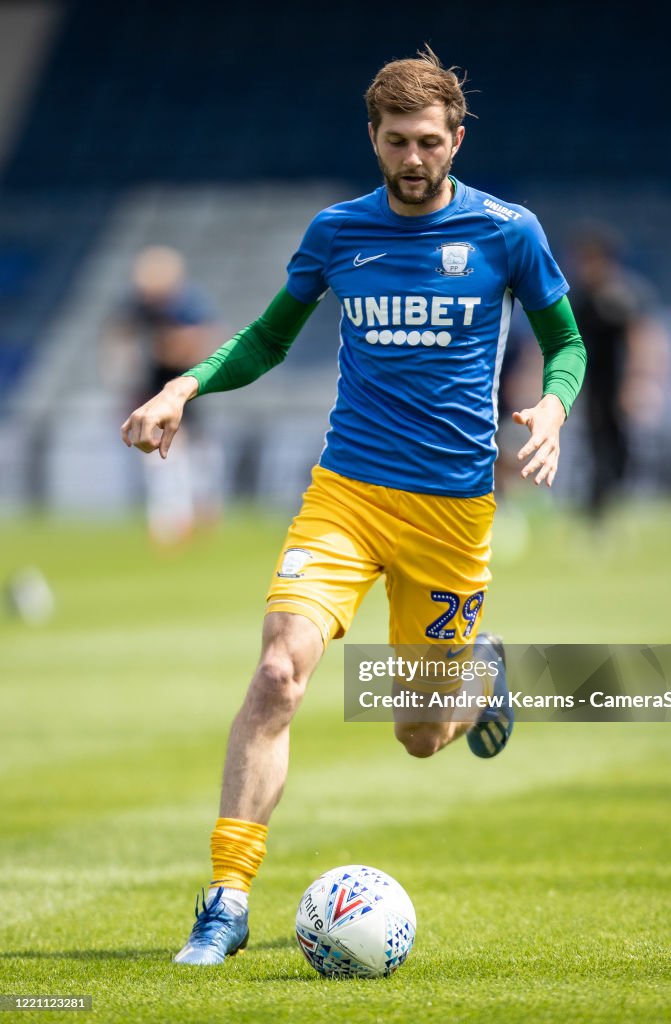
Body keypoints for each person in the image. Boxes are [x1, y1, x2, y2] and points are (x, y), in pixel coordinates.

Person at [121, 47, 587, 965]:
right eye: (395, 141)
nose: (413, 159)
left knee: (419, 734)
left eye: (429, 141)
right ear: (371, 138)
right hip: (347, 497)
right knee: (278, 673)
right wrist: (186, 385)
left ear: (457, 138)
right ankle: (227, 896)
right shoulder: (337, 232)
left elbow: (565, 342)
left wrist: (555, 408)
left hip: (453, 516)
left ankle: (482, 674)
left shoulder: (508, 231)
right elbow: (265, 341)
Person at [103, 246, 222, 544]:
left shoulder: (187, 305)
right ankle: (174, 518)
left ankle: (197, 510)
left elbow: (201, 342)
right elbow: (119, 334)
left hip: (187, 384)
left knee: (197, 453)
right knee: (165, 453)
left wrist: (168, 346)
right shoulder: (139, 307)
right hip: (156, 387)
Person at [567, 222, 669, 519]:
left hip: (620, 385)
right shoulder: (580, 299)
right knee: (597, 447)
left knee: (620, 449)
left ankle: (612, 504)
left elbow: (643, 338)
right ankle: (596, 510)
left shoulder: (624, 295)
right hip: (592, 387)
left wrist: (640, 382)